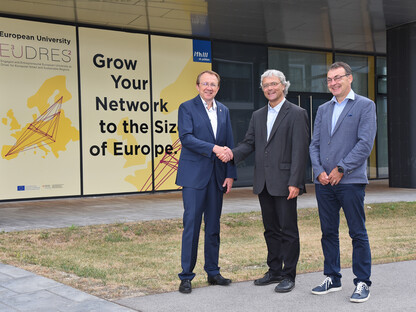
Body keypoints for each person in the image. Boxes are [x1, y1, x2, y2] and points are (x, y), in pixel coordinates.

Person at [218, 69, 309, 293]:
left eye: (274, 84)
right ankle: (274, 270)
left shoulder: (297, 113)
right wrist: (232, 154)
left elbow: (300, 150)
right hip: (264, 182)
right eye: (266, 85)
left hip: (286, 182)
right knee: (270, 230)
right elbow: (249, 143)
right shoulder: (258, 115)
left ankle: (289, 274)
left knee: (288, 230)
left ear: (283, 86)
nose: (270, 88)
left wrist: (295, 181)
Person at [309, 62, 377, 303]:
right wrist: (318, 171)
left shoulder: (365, 106)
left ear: (350, 79)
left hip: (350, 181)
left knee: (357, 232)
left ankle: (362, 282)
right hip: (324, 183)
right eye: (329, 79)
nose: (333, 83)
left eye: (337, 78)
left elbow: (365, 143)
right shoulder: (323, 109)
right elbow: (314, 144)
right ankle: (332, 277)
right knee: (328, 232)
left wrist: (341, 169)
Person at [176, 70, 237, 294]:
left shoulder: (224, 110)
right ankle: (186, 276)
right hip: (193, 177)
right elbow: (187, 138)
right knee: (191, 225)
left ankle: (213, 272)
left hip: (217, 177)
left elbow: (229, 141)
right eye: (205, 84)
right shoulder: (187, 108)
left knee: (213, 226)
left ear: (218, 88)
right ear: (197, 86)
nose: (209, 87)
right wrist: (213, 148)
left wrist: (230, 174)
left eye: (213, 84)